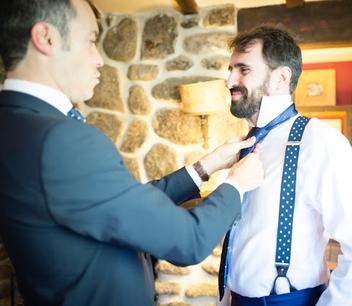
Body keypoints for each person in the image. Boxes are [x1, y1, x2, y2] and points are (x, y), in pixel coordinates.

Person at [0, 1, 264, 305]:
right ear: (46, 38)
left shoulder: (14, 124)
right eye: (90, 40)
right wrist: (236, 184)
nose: (100, 60)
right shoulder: (60, 138)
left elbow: (123, 204)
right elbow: (188, 241)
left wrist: (207, 166)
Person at [218, 26, 352, 306]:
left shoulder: (320, 142)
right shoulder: (243, 145)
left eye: (243, 70)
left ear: (281, 78)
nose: (229, 81)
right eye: (230, 70)